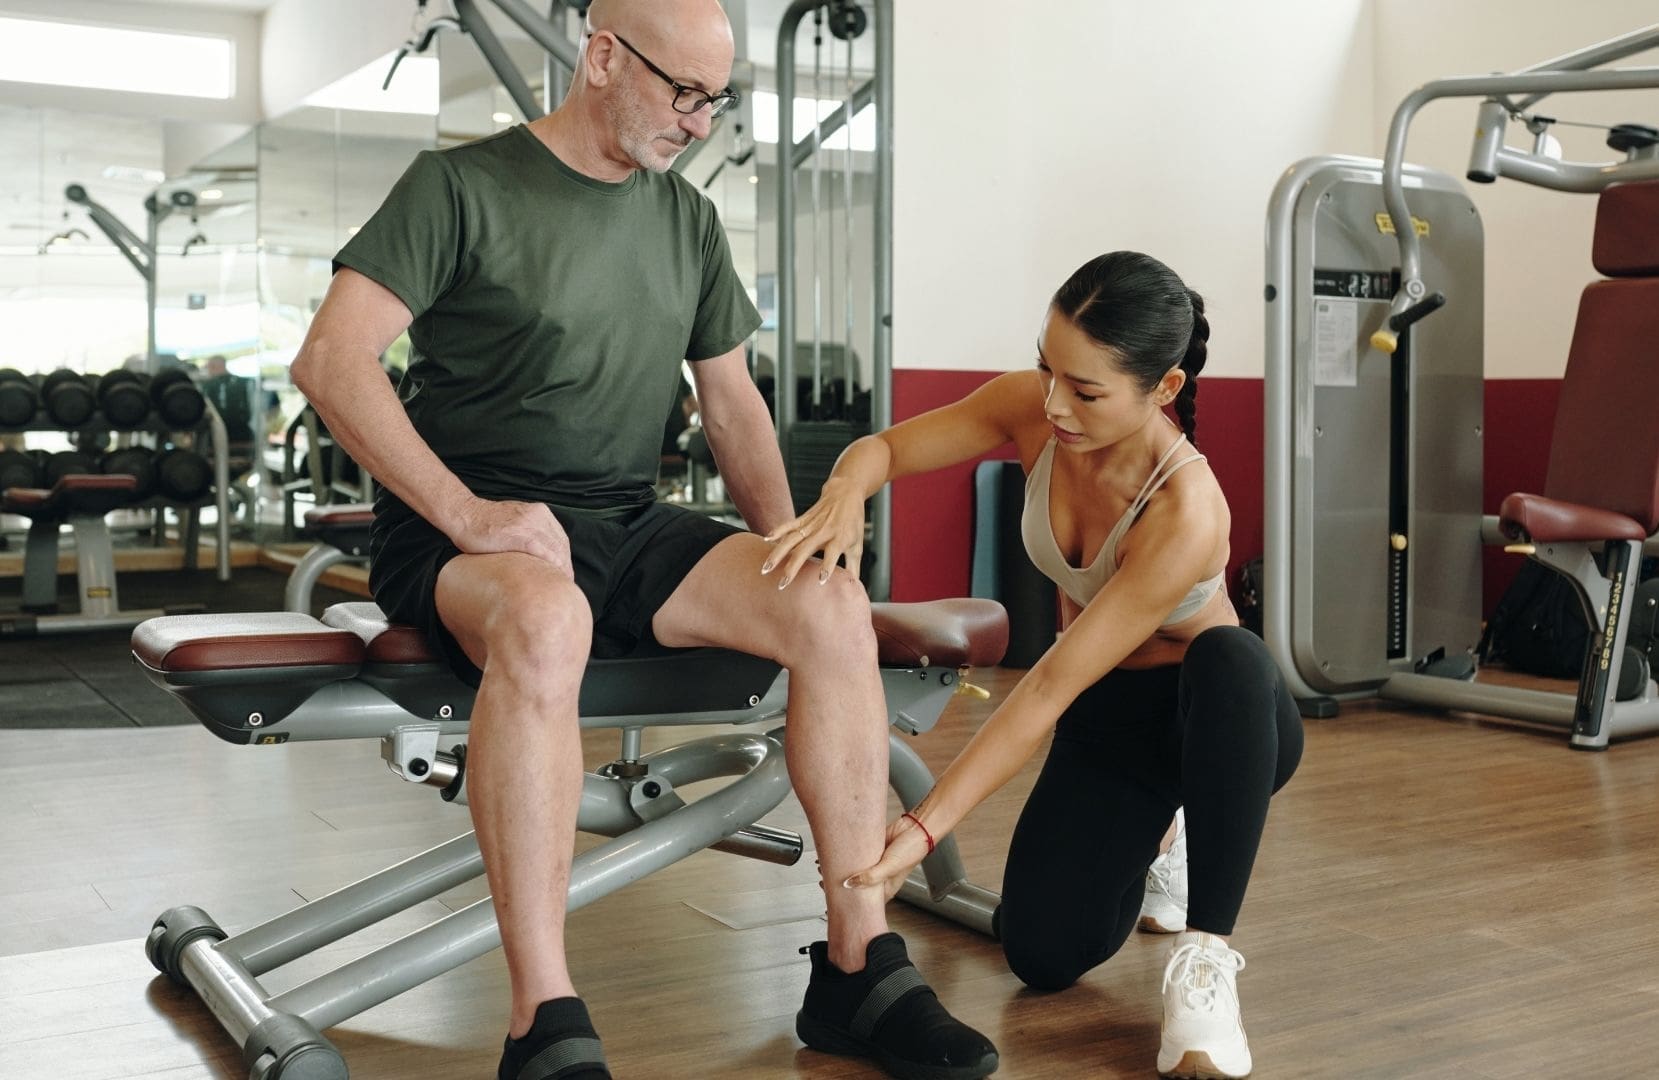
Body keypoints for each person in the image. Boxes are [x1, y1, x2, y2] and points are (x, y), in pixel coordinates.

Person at [288, 2, 997, 1078]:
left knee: (826, 603)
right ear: (605, 54)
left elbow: (733, 407)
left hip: (622, 518)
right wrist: (473, 517)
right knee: (545, 612)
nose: (701, 122)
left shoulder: (686, 221)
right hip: (465, 530)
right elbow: (334, 362)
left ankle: (857, 964)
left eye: (719, 100)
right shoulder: (460, 187)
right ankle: (543, 1017)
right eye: (685, 93)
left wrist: (795, 562)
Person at [764, 251, 1304, 1080]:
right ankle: (1158, 831)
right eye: (1048, 368)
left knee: (1229, 655)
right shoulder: (1036, 408)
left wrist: (922, 826)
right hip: (1112, 722)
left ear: (1161, 388)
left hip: (1220, 721)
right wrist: (844, 491)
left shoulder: (1184, 506)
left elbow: (1048, 682)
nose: (1054, 402)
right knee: (1041, 956)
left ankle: (1205, 959)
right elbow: (885, 448)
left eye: (1084, 390)